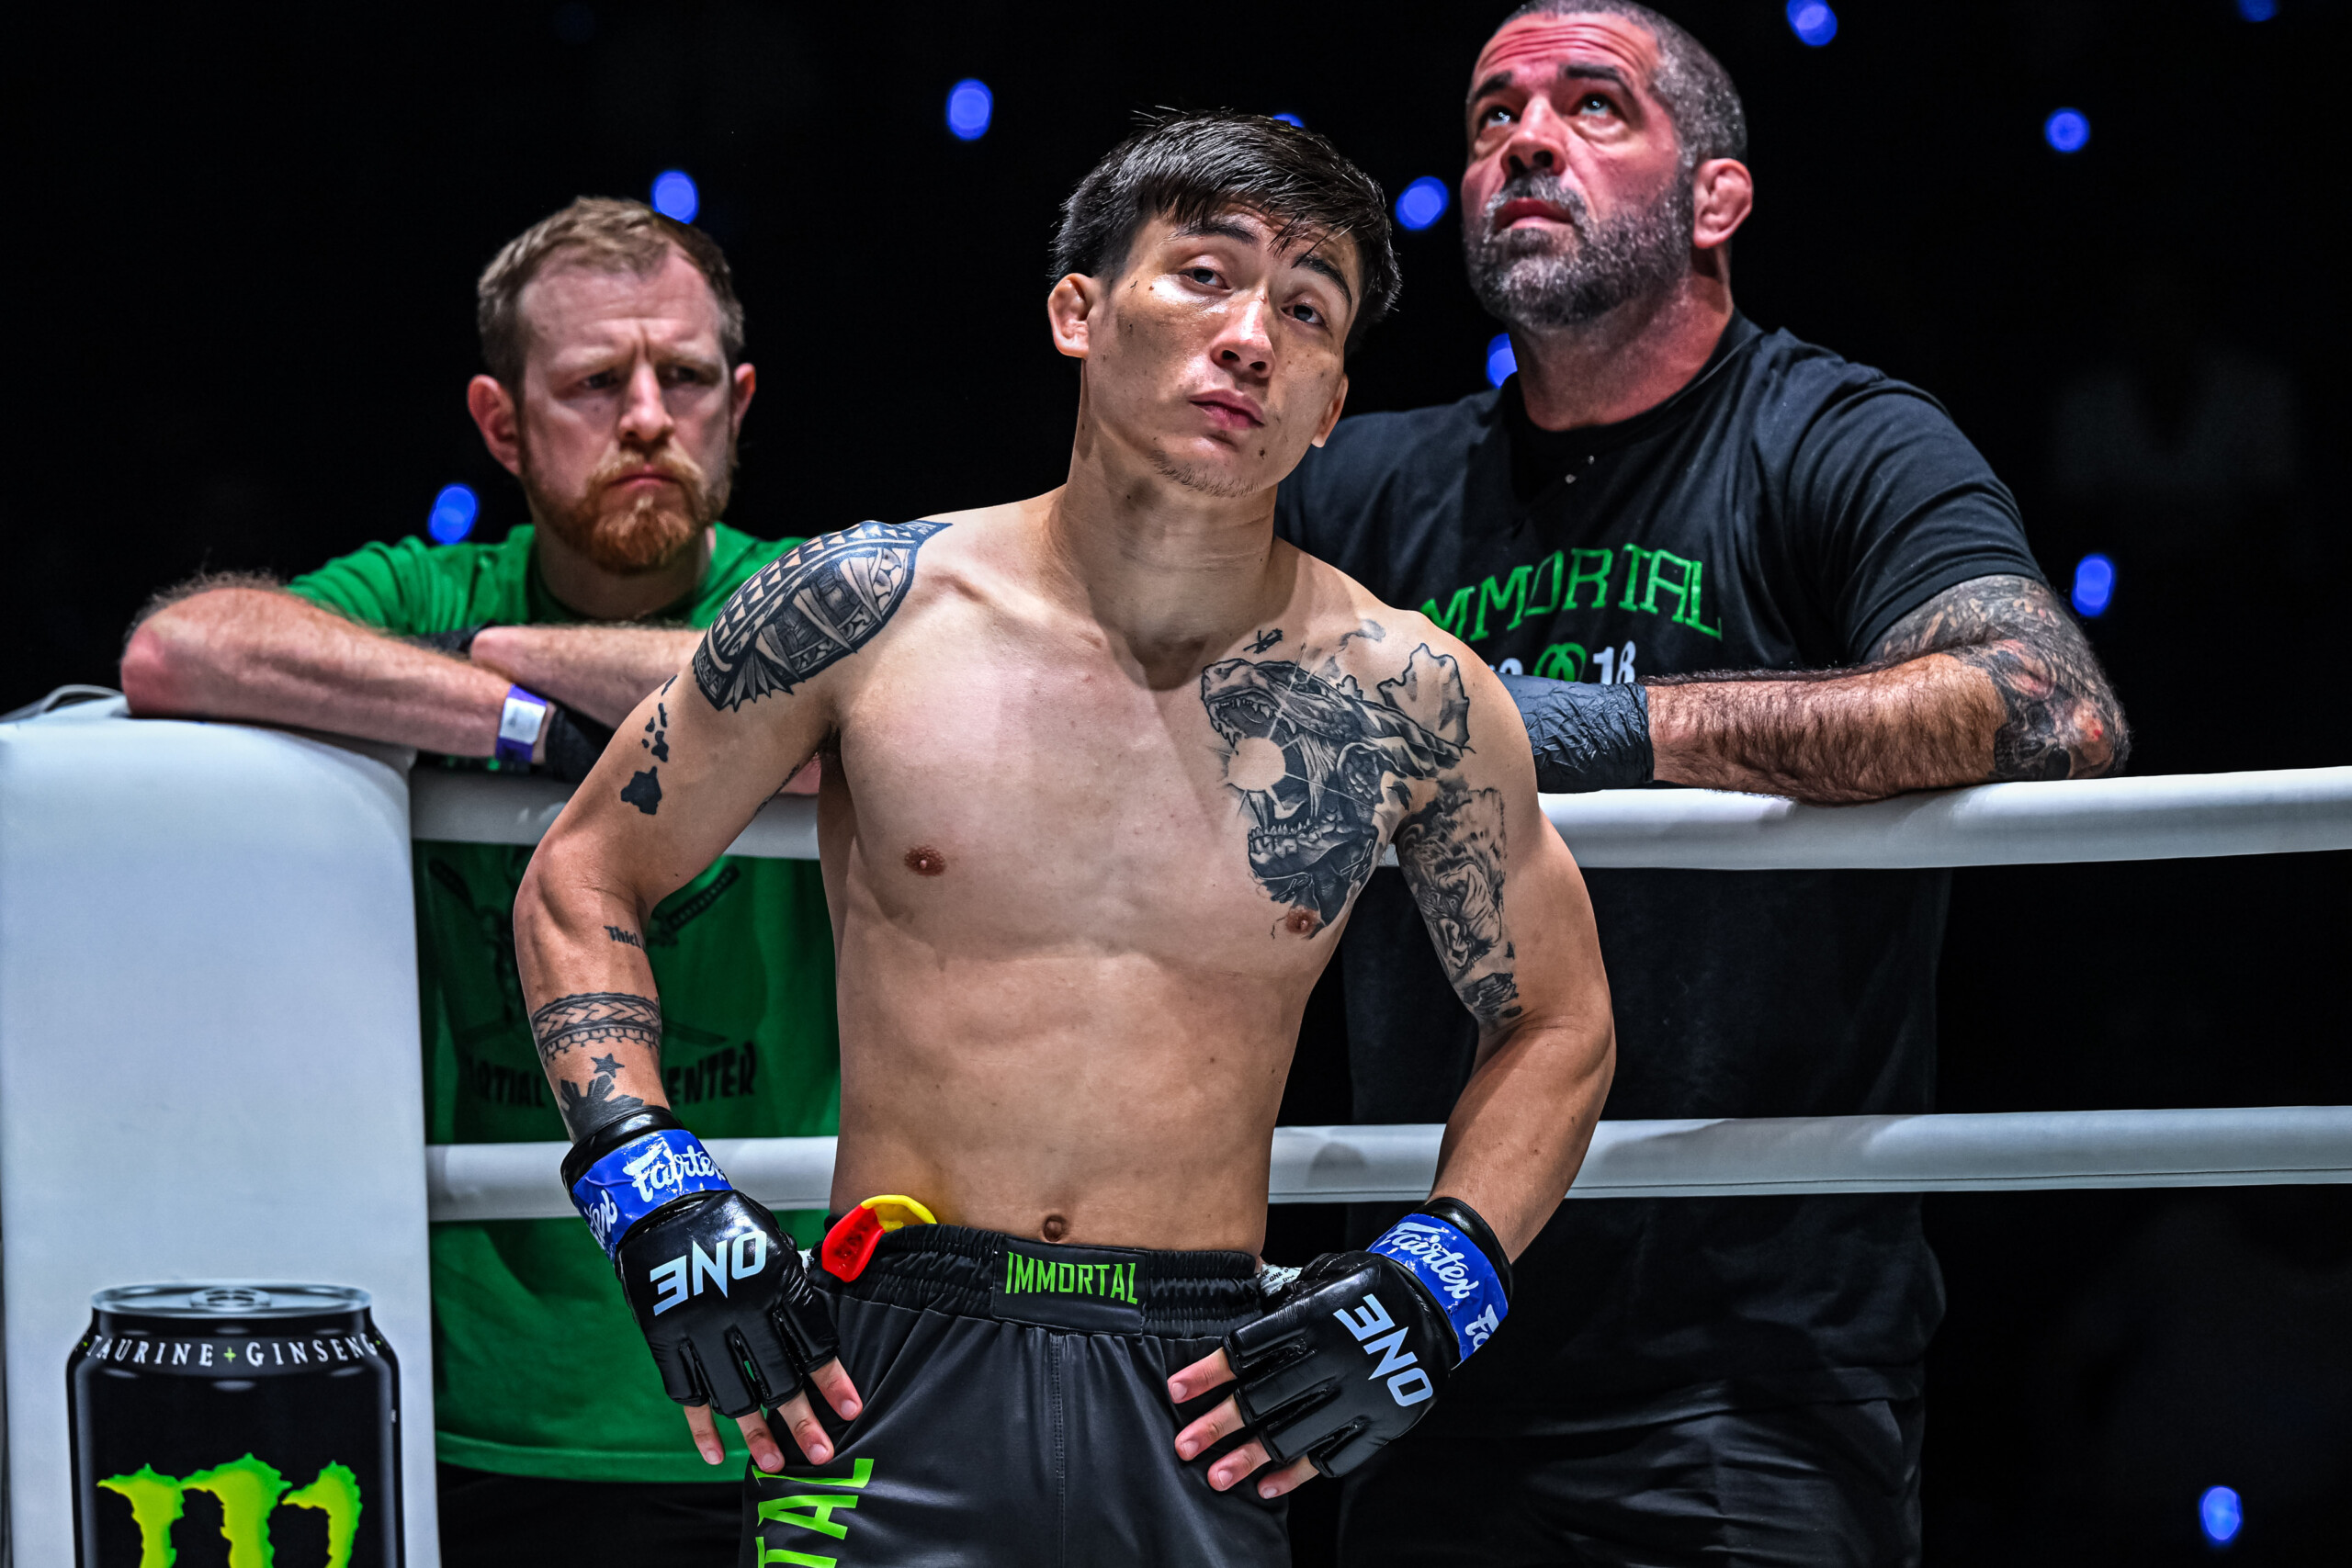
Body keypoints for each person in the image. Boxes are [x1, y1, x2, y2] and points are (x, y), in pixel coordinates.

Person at [509, 112, 1617, 1567]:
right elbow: (586, 875)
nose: (1249, 339)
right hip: (884, 1358)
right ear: (1078, 310)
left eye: (1305, 310)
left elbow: (1560, 1020)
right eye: (1203, 276)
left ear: (1332, 402)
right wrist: (647, 1188)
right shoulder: (867, 608)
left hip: (1204, 1388)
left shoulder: (1407, 694)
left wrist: (1437, 1280)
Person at [1270, 5, 2129, 1564]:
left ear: (1715, 197)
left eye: (1593, 105)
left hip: (1750, 1372)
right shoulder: (1369, 489)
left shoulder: (1836, 435)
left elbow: (2048, 706)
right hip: (1420, 1341)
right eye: (1491, 116)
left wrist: (1609, 728)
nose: (1525, 141)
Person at [119, 197, 841, 1566]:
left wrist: (520, 661)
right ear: (503, 425)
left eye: (686, 378)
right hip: (478, 1393)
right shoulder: (439, 587)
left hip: (783, 1367)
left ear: (738, 405)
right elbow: (179, 649)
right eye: (594, 383)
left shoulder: (807, 593)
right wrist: (520, 726)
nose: (647, 418)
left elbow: (842, 704)